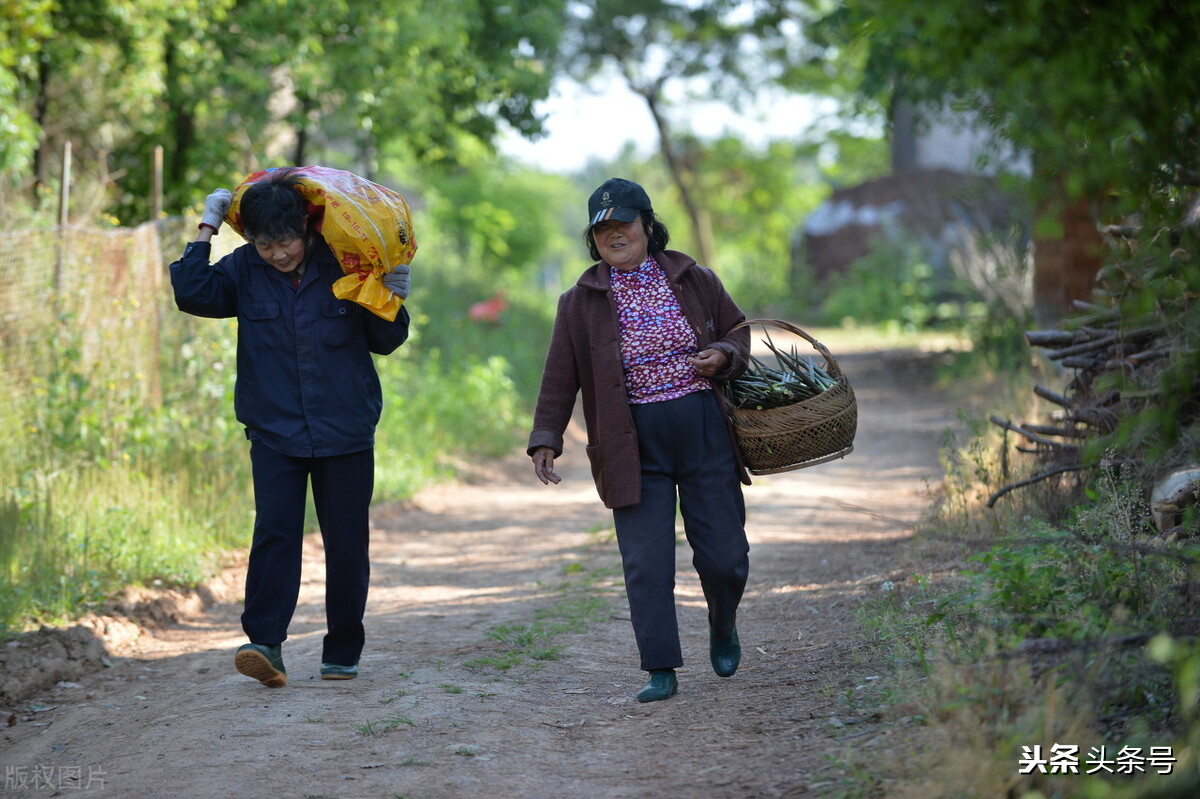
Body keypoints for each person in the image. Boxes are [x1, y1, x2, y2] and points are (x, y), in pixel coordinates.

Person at [170, 168, 412, 687]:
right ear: (250, 240)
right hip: (274, 430)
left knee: (346, 542)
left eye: (286, 242)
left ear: (306, 229)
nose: (278, 254)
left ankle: (342, 651)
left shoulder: (348, 264)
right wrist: (207, 228)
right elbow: (191, 293)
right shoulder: (242, 270)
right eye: (265, 245)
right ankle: (265, 645)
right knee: (275, 534)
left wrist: (393, 298)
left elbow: (386, 341)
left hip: (345, 428)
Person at [527, 177, 752, 703]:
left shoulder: (694, 278)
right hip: (631, 444)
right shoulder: (578, 302)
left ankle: (722, 622)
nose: (614, 234)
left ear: (647, 225)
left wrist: (722, 354)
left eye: (623, 223)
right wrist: (546, 438)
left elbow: (738, 330)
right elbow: (560, 376)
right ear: (593, 238)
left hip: (702, 432)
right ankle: (660, 668)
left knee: (725, 557)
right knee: (646, 563)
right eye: (602, 228)